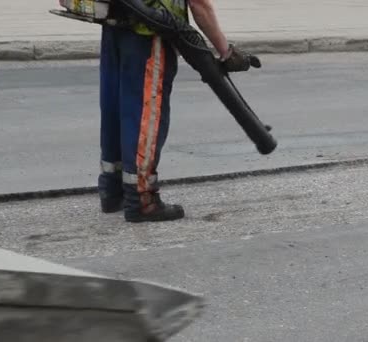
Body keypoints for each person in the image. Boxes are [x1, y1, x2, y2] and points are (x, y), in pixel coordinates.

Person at [97, 0, 258, 223]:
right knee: (145, 115)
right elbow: (199, 5)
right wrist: (225, 51)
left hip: (114, 28)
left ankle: (112, 191)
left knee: (115, 109)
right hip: (149, 34)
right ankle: (143, 200)